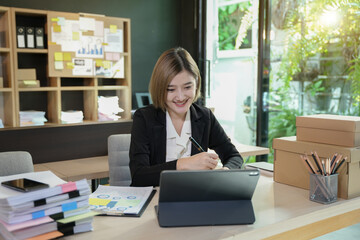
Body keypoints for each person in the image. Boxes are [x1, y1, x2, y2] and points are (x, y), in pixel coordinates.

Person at [129, 47, 243, 186]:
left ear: (196, 84)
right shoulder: (145, 118)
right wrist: (183, 164)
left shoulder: (205, 116)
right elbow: (138, 176)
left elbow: (233, 156)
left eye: (187, 87)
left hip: (194, 196)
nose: (181, 97)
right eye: (171, 89)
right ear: (159, 88)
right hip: (155, 198)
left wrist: (226, 171)